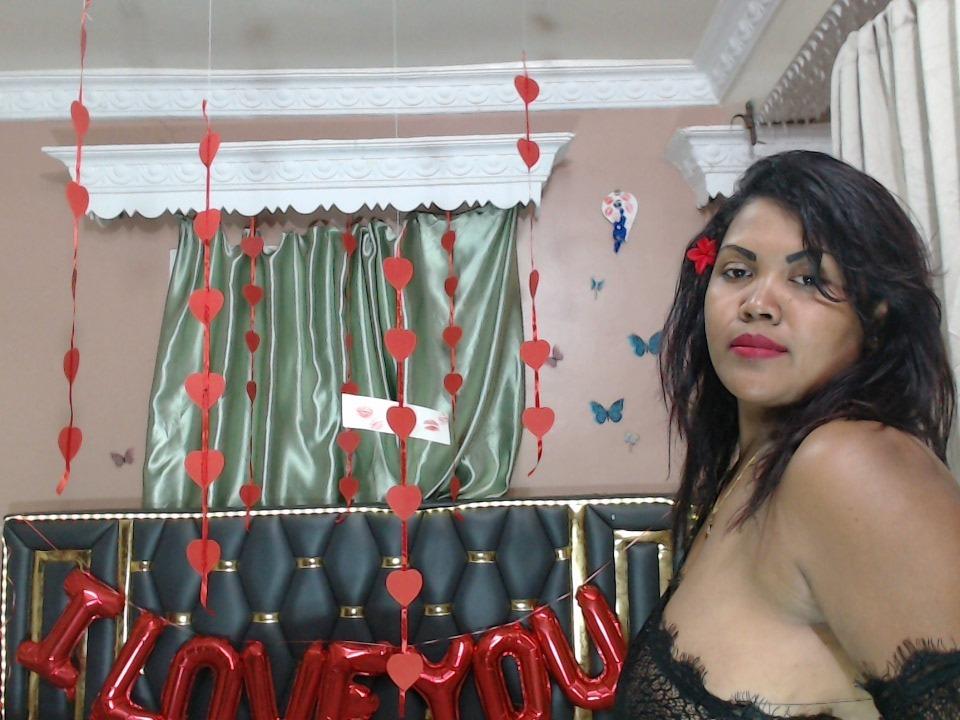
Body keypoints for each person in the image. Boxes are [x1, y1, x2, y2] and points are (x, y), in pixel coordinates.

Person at [613, 151, 960, 719]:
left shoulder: (848, 462)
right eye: (738, 271)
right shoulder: (753, 466)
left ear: (875, 314)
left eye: (808, 279)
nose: (757, 304)